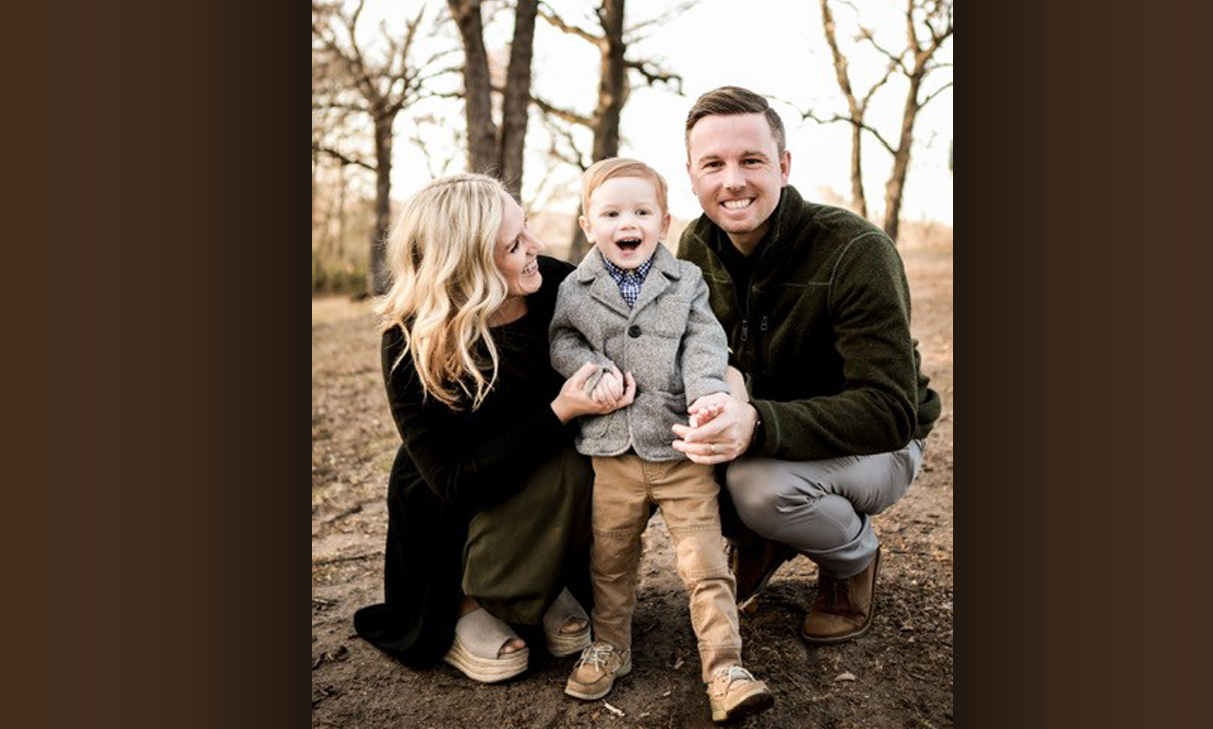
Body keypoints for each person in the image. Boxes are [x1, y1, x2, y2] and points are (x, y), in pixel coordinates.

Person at [672, 87, 943, 644]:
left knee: (758, 489)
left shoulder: (855, 249)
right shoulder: (696, 245)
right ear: (692, 176)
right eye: (713, 165)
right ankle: (763, 539)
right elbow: (700, 350)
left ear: (783, 166)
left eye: (751, 160)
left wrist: (757, 424)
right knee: (670, 458)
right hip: (767, 431)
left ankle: (852, 559)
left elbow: (889, 409)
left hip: (877, 445)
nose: (733, 181)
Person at [353, 173, 635, 684]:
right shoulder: (411, 336)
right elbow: (452, 481)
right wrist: (560, 411)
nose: (537, 246)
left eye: (526, 228)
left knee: (587, 455)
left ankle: (543, 584)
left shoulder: (554, 283)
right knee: (550, 452)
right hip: (452, 498)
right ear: (468, 264)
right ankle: (465, 601)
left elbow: (638, 327)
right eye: (514, 244)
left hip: (549, 477)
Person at [549, 158, 774, 723]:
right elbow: (562, 342)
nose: (628, 222)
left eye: (642, 211)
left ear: (664, 220)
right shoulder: (575, 289)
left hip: (679, 446)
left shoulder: (686, 280)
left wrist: (707, 393)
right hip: (612, 451)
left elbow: (705, 341)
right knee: (611, 556)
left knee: (703, 560)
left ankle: (725, 667)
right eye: (612, 213)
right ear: (588, 225)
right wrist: (591, 370)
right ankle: (610, 646)